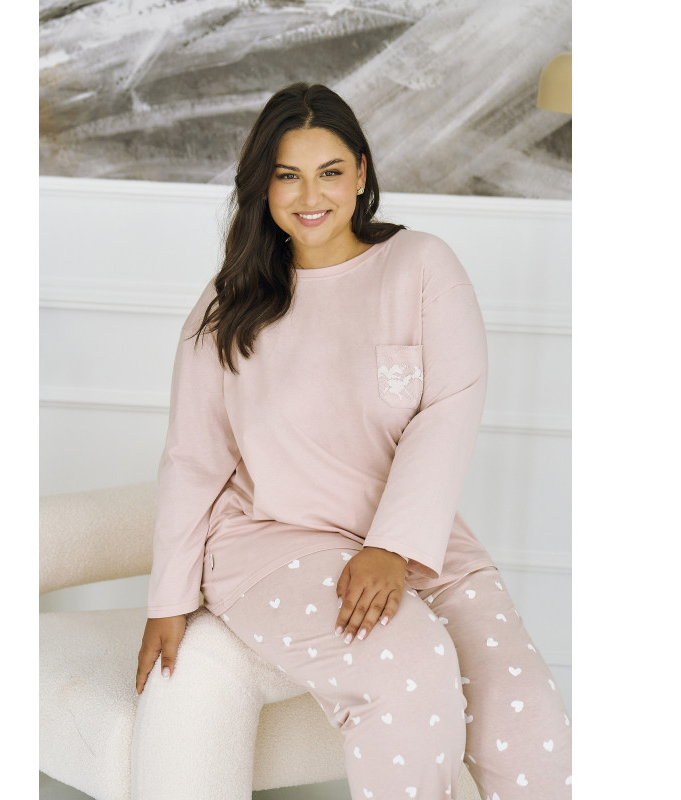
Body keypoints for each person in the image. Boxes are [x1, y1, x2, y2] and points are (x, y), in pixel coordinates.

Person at [136, 82, 571, 799]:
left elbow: (447, 410)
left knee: (529, 725)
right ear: (263, 186)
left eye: (330, 171)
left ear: (362, 173)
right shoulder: (229, 306)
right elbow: (193, 458)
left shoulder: (420, 265)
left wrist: (392, 546)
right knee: (410, 675)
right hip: (274, 544)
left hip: (418, 541)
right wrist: (167, 599)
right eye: (288, 175)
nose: (311, 195)